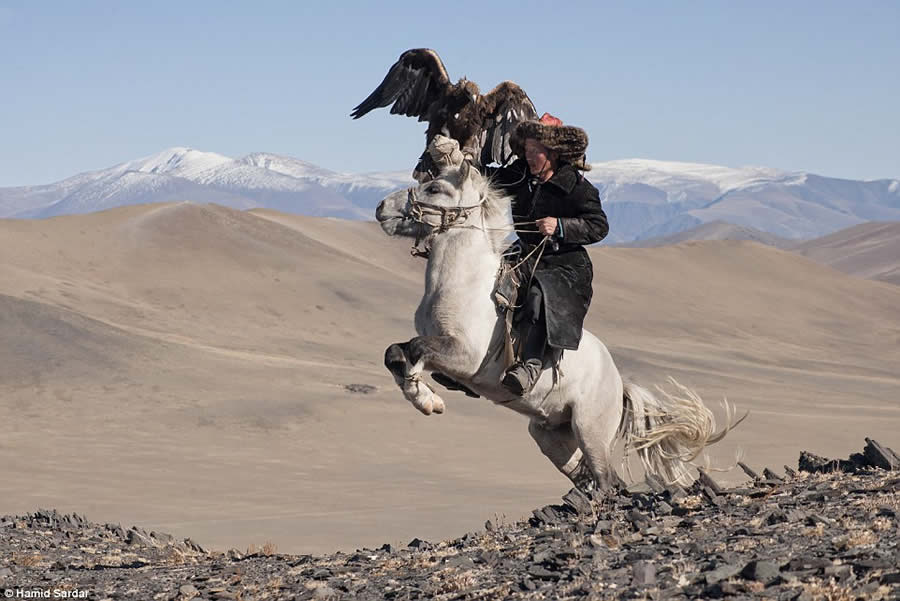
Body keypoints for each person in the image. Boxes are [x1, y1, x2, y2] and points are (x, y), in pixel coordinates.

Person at [485, 113, 609, 395]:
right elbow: (487, 176)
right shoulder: (520, 176)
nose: (527, 157)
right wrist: (461, 160)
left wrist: (561, 226)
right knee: (490, 283)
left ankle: (530, 366)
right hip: (525, 254)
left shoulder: (578, 188)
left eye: (534, 151)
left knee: (540, 296)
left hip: (565, 265)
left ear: (552, 153)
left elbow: (599, 226)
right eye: (526, 150)